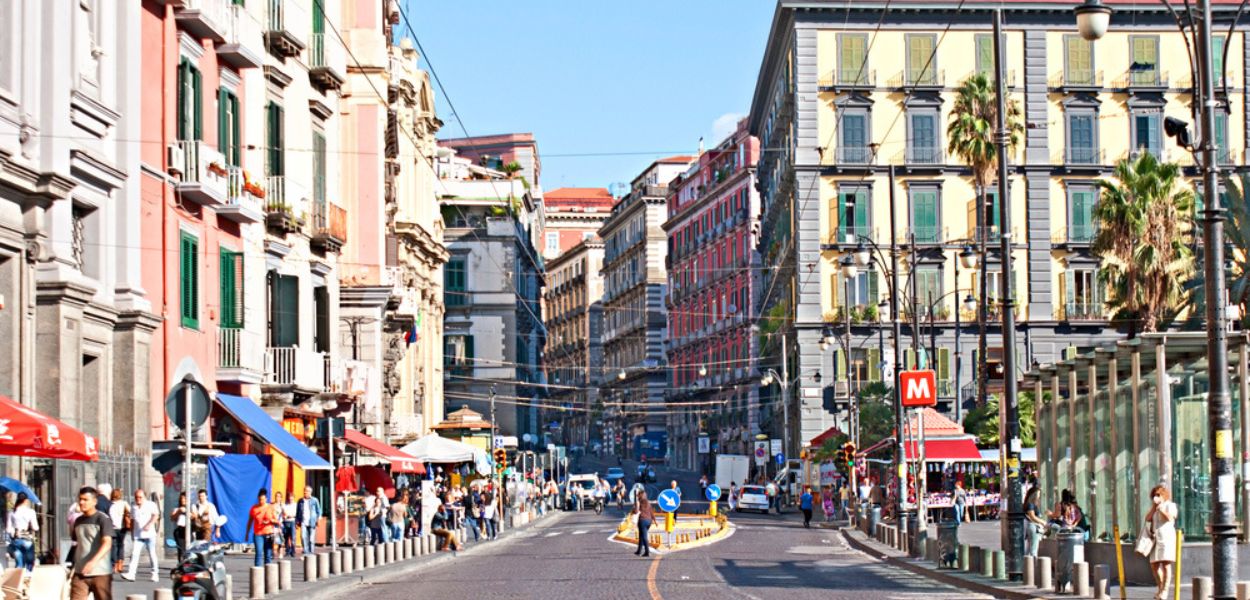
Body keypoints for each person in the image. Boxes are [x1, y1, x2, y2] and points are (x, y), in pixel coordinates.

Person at [69, 487, 113, 600]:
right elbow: (77, 543)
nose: (82, 502)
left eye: (85, 499)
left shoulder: (103, 519)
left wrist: (93, 562)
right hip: (80, 572)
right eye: (80, 499)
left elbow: (107, 543)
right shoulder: (78, 520)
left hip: (100, 572)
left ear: (94, 501)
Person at [1146, 485, 1179, 600]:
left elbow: (1171, 518)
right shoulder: (1155, 507)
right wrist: (1154, 507)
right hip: (1156, 538)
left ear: (1164, 495)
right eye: (1154, 495)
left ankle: (1164, 591)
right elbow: (1147, 518)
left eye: (1158, 495)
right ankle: (1160, 588)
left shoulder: (1170, 505)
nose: (1156, 497)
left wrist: (1162, 510)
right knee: (1154, 564)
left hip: (1166, 537)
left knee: (1166, 564)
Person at [121, 488, 159, 582]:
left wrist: (149, 524)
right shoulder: (133, 506)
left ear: (144, 497)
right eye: (136, 497)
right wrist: (132, 533)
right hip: (138, 535)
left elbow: (156, 515)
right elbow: (133, 520)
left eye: (140, 497)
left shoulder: (151, 504)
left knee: (152, 554)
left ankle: (155, 574)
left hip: (149, 534)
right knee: (134, 554)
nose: (138, 499)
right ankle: (131, 574)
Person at [5, 492, 38, 571]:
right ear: (26, 500)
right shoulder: (31, 512)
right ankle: (27, 579)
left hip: (16, 540)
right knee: (29, 563)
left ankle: (18, 581)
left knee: (19, 564)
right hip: (27, 540)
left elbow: (8, 529)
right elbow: (35, 527)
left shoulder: (11, 512)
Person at [245, 489, 276, 567]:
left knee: (268, 555)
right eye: (259, 499)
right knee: (258, 553)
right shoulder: (254, 508)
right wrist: (247, 533)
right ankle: (258, 574)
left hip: (268, 533)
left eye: (262, 499)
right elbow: (250, 521)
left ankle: (268, 574)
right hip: (258, 534)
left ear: (266, 499)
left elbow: (276, 521)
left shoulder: (270, 507)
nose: (261, 501)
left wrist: (269, 521)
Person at [106, 488, 129, 573]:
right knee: (121, 545)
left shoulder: (109, 504)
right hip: (122, 527)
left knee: (114, 546)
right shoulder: (123, 503)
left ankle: (114, 565)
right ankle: (120, 565)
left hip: (112, 528)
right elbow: (130, 511)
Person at [295, 486, 321, 555]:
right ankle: (306, 552)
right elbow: (297, 512)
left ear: (310, 492)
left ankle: (311, 553)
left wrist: (318, 520)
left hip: (312, 522)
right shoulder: (300, 501)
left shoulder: (315, 500)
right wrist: (297, 521)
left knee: (311, 539)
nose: (305, 492)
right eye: (304, 490)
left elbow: (319, 511)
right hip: (303, 521)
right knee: (303, 537)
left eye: (307, 491)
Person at [1023, 485, 1046, 557]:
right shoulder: (1031, 504)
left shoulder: (1030, 504)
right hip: (1033, 527)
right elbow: (1032, 516)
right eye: (1038, 494)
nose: (1039, 496)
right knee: (1033, 550)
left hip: (1032, 526)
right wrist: (1043, 522)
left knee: (1029, 549)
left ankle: (1027, 565)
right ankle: (1033, 566)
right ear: (1033, 495)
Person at [632, 490, 654, 558]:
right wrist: (654, 521)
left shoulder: (639, 502)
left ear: (639, 495)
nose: (637, 496)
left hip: (642, 520)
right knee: (641, 536)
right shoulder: (648, 502)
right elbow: (651, 512)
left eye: (638, 494)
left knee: (644, 536)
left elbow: (636, 511)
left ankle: (647, 551)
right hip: (649, 521)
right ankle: (639, 550)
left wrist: (634, 508)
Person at [277, 491, 297, 558]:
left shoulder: (296, 505)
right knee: (286, 537)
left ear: (294, 498)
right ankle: (287, 551)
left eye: (292, 497)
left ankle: (293, 551)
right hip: (285, 522)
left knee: (293, 537)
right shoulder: (285, 505)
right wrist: (284, 516)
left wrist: (291, 516)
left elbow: (297, 514)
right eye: (289, 497)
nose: (290, 499)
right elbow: (283, 513)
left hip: (292, 522)